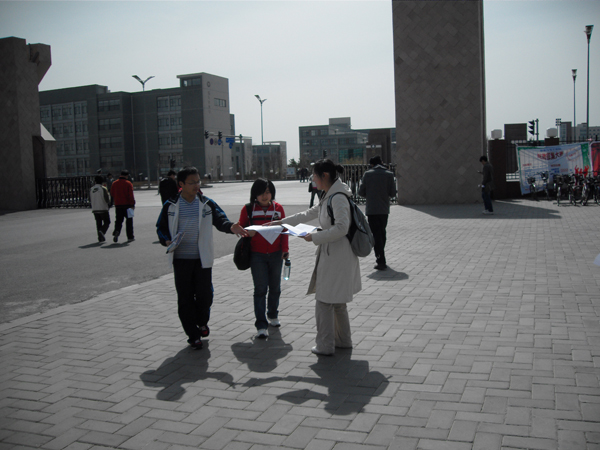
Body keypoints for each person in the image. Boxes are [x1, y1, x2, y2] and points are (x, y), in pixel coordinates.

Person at [267, 159, 361, 356]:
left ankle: (325, 345)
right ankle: (343, 341)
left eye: (314, 175)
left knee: (324, 301)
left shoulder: (337, 197)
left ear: (324, 176)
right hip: (335, 254)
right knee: (337, 302)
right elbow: (308, 213)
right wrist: (281, 223)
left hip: (337, 256)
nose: (312, 179)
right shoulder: (330, 194)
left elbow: (342, 228)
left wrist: (315, 237)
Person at [156, 166, 248, 349]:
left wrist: (231, 227)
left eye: (198, 181)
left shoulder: (206, 203)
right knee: (185, 298)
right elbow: (161, 227)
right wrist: (166, 240)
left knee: (205, 295)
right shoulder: (171, 204)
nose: (196, 185)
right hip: (181, 260)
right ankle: (193, 335)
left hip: (202, 259)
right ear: (181, 184)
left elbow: (220, 220)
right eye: (192, 182)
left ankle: (202, 321)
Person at [239, 179, 289, 339]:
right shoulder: (248, 209)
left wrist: (285, 249)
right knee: (260, 289)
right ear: (255, 194)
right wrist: (247, 232)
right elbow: (241, 229)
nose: (265, 196)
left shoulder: (278, 208)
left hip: (276, 254)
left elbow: (284, 230)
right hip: (257, 255)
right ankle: (261, 325)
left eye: (268, 192)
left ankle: (273, 315)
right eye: (261, 193)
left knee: (275, 287)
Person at [358, 156, 397, 271]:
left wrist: (370, 195)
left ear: (371, 165)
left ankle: (381, 260)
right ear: (381, 162)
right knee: (382, 232)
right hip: (384, 209)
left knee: (376, 234)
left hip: (372, 210)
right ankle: (381, 255)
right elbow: (393, 193)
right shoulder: (389, 174)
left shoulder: (367, 174)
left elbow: (361, 192)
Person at [111, 170, 136, 242]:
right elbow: (131, 195)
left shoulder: (114, 183)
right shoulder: (128, 183)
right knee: (129, 221)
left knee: (118, 220)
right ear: (127, 176)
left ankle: (117, 231)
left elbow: (112, 193)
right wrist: (132, 204)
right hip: (127, 205)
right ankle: (130, 236)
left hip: (118, 205)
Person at [90, 175, 111, 242]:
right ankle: (102, 231)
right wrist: (109, 204)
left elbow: (89, 199)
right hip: (103, 208)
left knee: (98, 223)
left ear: (95, 181)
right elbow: (107, 199)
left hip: (95, 208)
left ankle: (100, 238)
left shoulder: (91, 189)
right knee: (107, 222)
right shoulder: (103, 188)